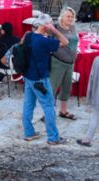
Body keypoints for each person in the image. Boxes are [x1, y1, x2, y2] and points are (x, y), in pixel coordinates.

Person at [21, 13, 69, 145]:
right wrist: (54, 30)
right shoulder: (44, 41)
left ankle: (29, 133)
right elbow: (65, 42)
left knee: (28, 105)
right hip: (40, 79)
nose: (52, 26)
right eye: (50, 24)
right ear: (45, 25)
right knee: (48, 107)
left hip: (28, 77)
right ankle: (53, 137)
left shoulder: (29, 36)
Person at [49, 6, 79, 121]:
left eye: (72, 16)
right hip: (58, 62)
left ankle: (63, 111)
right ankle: (48, 113)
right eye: (68, 16)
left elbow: (75, 41)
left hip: (70, 63)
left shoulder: (72, 27)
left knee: (67, 87)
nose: (70, 18)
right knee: (53, 88)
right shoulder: (56, 28)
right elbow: (51, 43)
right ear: (62, 16)